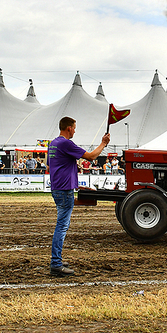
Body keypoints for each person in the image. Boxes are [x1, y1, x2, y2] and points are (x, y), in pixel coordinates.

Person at [47, 116, 110, 277]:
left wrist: (75, 181)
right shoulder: (66, 143)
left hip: (58, 188)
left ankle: (57, 259)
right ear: (68, 128)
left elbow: (54, 165)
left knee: (62, 225)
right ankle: (55, 263)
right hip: (64, 189)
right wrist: (103, 143)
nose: (75, 130)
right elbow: (91, 157)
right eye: (74, 128)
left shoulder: (53, 143)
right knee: (61, 227)